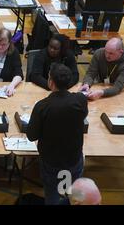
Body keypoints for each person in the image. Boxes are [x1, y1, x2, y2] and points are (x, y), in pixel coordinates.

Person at [27, 63, 88, 205]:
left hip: (51, 162)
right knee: (74, 196)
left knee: (53, 195)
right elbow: (83, 115)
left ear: (51, 82)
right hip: (74, 159)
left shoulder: (43, 106)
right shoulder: (80, 100)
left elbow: (31, 135)